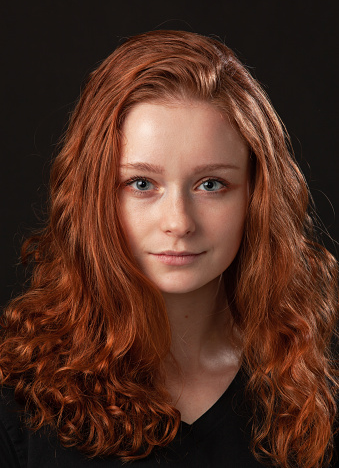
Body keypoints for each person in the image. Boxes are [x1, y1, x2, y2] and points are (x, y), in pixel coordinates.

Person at [0, 30, 338, 468]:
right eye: (141, 184)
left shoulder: (311, 398)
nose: (178, 222)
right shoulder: (19, 401)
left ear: (257, 198)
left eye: (211, 184)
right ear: (94, 196)